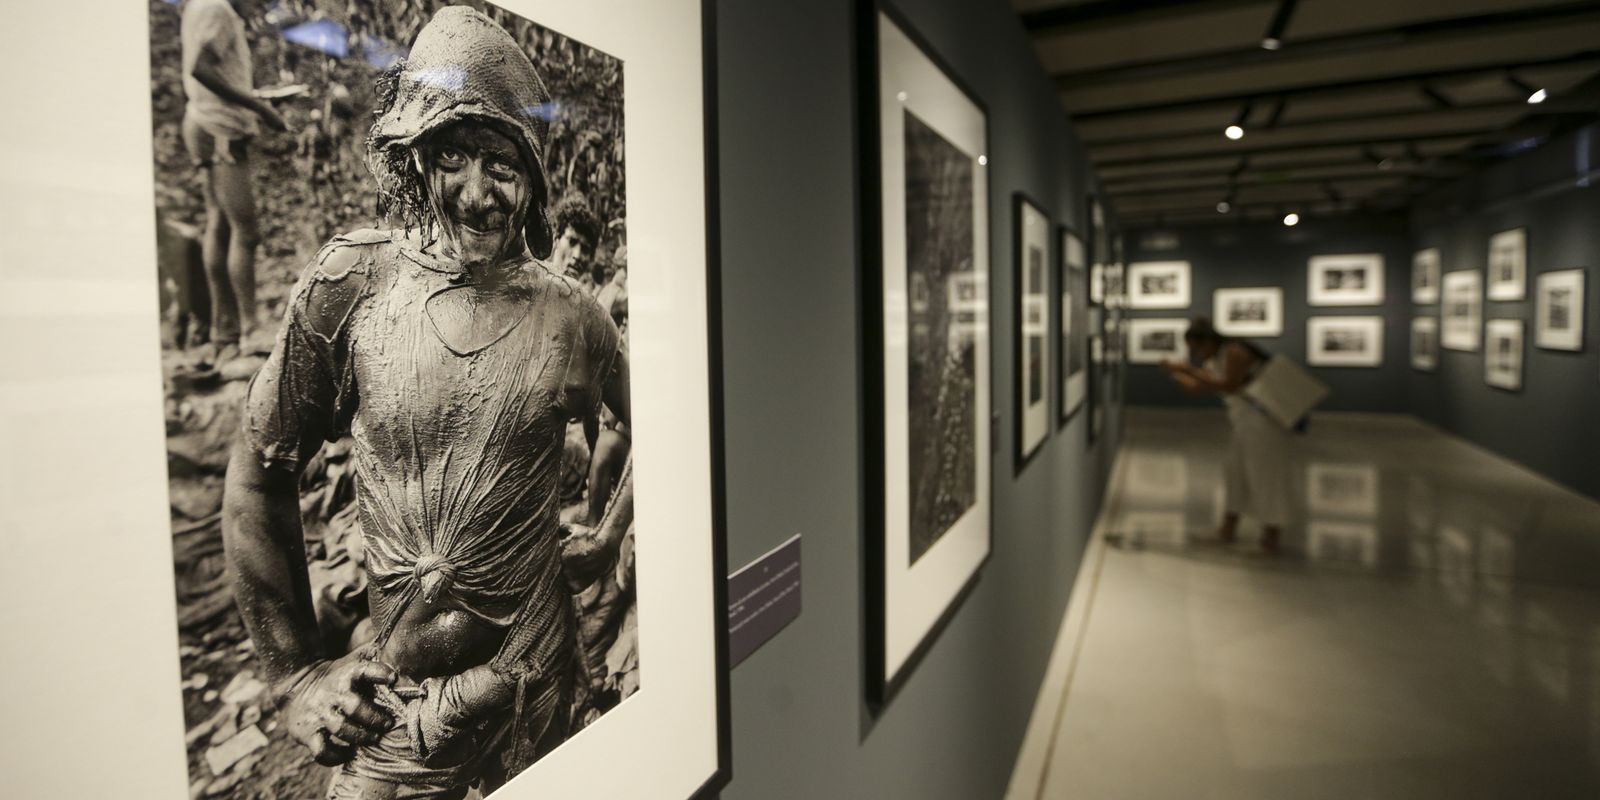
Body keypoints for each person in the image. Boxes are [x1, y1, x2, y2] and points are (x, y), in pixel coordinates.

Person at [221, 8, 631, 798]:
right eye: (452, 156)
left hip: (536, 679)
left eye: (501, 164)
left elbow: (652, 426)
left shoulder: (574, 317)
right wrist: (297, 676)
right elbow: (257, 473)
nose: (476, 194)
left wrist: (608, 537)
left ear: (534, 178)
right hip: (399, 705)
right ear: (415, 160)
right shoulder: (353, 286)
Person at [180, 0, 288, 366]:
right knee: (246, 231)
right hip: (221, 128)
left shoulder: (199, 6)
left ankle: (224, 333)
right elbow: (201, 68)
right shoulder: (218, 12)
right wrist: (260, 109)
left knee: (220, 224)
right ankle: (250, 331)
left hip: (201, 120)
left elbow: (212, 71)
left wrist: (256, 99)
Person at [1160, 317, 1291, 554]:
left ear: (1207, 341)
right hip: (1244, 421)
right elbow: (1210, 384)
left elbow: (1230, 385)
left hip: (1262, 421)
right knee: (1235, 473)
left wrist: (1187, 371)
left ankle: (1271, 535)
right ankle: (1228, 528)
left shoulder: (1235, 351)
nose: (1196, 354)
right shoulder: (1218, 357)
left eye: (1196, 349)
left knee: (1265, 476)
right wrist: (1185, 376)